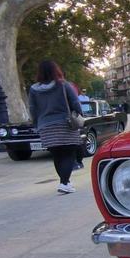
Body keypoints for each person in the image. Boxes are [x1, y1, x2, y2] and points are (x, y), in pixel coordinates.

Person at [28, 60, 83, 194]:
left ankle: (66, 183)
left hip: (45, 126)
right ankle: (64, 183)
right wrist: (80, 114)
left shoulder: (33, 89)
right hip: (65, 124)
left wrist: (36, 124)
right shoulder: (64, 85)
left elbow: (32, 109)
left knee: (57, 155)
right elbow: (75, 102)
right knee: (69, 153)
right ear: (56, 70)